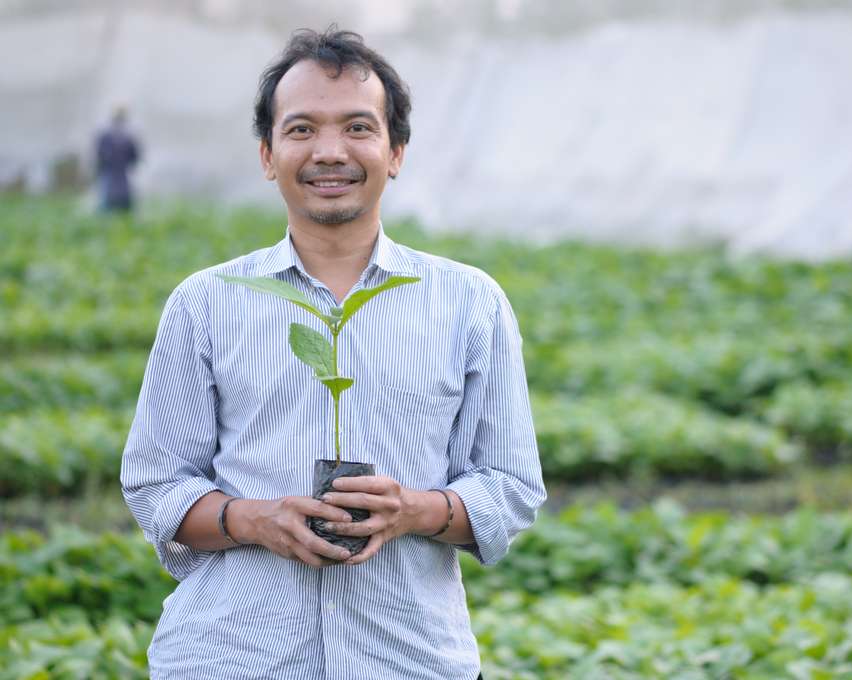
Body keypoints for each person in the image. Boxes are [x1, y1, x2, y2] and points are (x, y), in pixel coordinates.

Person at [120, 28, 545, 680]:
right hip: (232, 659)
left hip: (409, 661)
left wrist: (414, 511)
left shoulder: (470, 302)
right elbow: (156, 482)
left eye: (357, 128)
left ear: (395, 150)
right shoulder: (205, 302)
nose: (329, 152)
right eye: (300, 130)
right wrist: (255, 519)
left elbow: (510, 486)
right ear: (267, 154)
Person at [95, 106, 140, 212]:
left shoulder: (126, 137)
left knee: (112, 201)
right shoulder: (125, 137)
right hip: (113, 175)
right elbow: (134, 158)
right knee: (111, 200)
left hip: (116, 175)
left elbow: (134, 157)